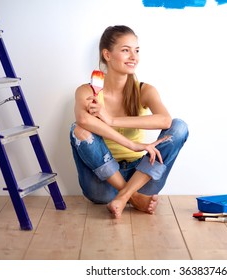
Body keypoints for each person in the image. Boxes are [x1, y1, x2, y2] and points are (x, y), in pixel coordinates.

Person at [70, 25, 188, 218]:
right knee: (78, 129)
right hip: (104, 183)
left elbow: (165, 120)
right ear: (107, 55)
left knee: (180, 126)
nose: (134, 57)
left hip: (141, 176)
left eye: (137, 50)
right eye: (126, 50)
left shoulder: (144, 90)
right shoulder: (87, 91)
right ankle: (133, 197)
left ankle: (125, 194)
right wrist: (133, 144)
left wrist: (111, 119)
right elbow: (82, 120)